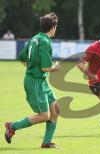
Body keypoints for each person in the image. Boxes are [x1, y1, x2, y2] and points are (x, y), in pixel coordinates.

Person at [4, 12, 61, 148]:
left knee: (56, 110)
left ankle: (46, 142)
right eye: (56, 26)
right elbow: (46, 68)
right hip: (35, 82)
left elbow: (22, 58)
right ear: (53, 27)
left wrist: (31, 69)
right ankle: (12, 126)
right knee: (44, 116)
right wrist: (55, 67)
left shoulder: (36, 38)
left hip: (39, 81)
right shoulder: (45, 42)